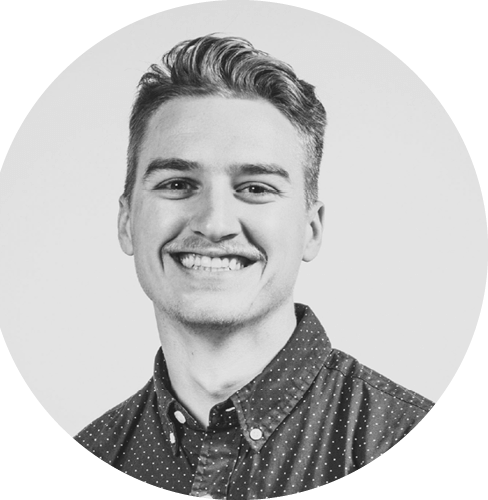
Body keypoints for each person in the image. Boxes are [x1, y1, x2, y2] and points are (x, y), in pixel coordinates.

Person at [74, 34, 434, 497]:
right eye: (178, 183)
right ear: (127, 222)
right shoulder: (97, 449)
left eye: (256, 188)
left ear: (311, 230)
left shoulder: (395, 435)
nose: (214, 224)